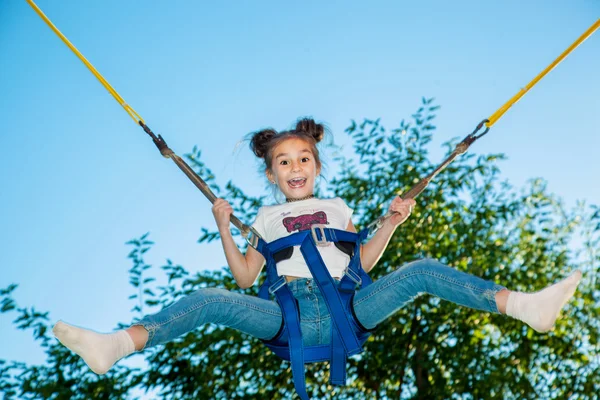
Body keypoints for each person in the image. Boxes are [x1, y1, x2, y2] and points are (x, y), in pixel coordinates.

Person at [52, 117, 582, 378]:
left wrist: (392, 222)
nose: (295, 168)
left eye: (303, 158)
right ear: (271, 174)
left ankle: (521, 305)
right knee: (209, 299)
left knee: (419, 270)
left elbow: (364, 262)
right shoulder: (263, 217)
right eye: (283, 162)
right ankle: (118, 344)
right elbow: (243, 279)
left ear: (317, 165)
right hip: (289, 317)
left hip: (351, 308)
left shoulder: (338, 209)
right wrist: (222, 226)